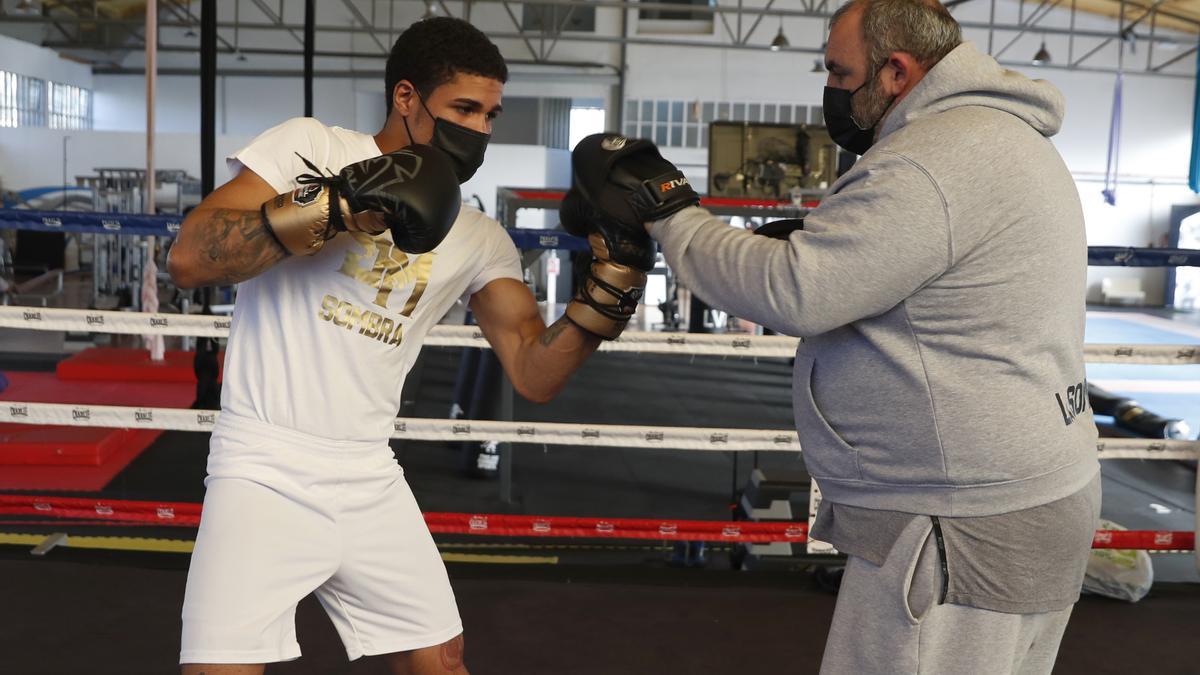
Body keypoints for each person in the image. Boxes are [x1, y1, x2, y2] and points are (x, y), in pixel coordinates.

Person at [565, 0, 1101, 672]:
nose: (831, 88)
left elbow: (796, 291)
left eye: (840, 71)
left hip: (961, 523)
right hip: (1025, 492)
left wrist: (671, 215)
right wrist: (828, 246)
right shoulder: (1004, 134)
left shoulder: (934, 158)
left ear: (897, 71)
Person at [167, 17, 649, 675]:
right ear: (406, 98)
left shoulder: (480, 236)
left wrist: (607, 296)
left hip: (368, 470)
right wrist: (335, 204)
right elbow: (191, 258)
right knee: (223, 668)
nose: (480, 128)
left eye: (491, 114)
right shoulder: (313, 147)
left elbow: (534, 371)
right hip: (263, 461)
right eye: (465, 108)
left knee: (439, 659)